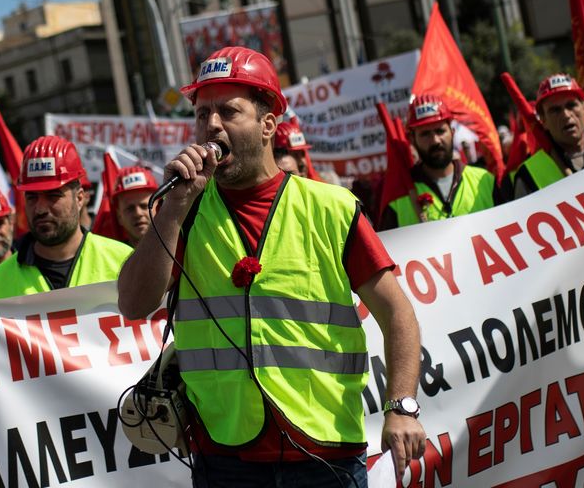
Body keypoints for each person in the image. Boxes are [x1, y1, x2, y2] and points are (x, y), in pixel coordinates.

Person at [117, 46, 425, 486]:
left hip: (326, 456)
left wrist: (401, 407)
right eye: (202, 114)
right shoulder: (180, 210)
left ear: (268, 125)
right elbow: (132, 302)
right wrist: (173, 207)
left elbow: (398, 314)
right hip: (224, 459)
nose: (212, 126)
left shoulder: (331, 208)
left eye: (228, 111)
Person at [0, 135, 133, 299]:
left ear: (79, 198)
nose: (40, 209)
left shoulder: (125, 261)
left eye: (53, 195)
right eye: (32, 197)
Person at [379, 95, 499, 230]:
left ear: (452, 132)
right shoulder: (398, 198)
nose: (435, 140)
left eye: (440, 131)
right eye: (425, 134)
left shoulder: (485, 181)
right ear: (412, 139)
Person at [513, 73, 584, 198]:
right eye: (555, 110)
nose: (566, 115)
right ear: (543, 120)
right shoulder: (528, 175)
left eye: (571, 105)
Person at [111, 165, 159, 247]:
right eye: (130, 208)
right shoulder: (111, 257)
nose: (138, 213)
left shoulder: (180, 249)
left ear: (159, 208)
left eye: (144, 206)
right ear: (119, 216)